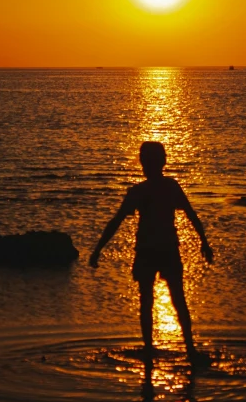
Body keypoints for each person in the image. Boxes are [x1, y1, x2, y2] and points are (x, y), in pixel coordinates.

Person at [89, 141, 213, 364]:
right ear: (162, 162)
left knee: (149, 301)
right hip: (164, 250)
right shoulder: (167, 187)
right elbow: (192, 216)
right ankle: (189, 350)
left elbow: (116, 222)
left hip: (151, 251)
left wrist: (98, 250)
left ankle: (151, 349)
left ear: (144, 164)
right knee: (176, 300)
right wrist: (204, 242)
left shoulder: (141, 191)